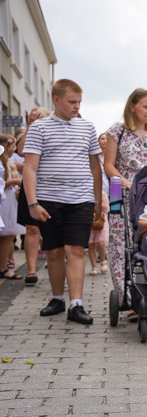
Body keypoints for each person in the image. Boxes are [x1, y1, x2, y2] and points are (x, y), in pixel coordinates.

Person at [23, 79, 103, 325]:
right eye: (72, 102)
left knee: (76, 249)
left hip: (80, 199)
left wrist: (98, 200)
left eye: (79, 102)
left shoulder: (88, 128)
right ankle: (58, 299)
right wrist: (33, 203)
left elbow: (95, 167)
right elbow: (30, 168)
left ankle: (76, 305)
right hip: (49, 200)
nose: (77, 106)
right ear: (56, 100)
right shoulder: (39, 128)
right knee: (54, 251)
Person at [104, 89, 147, 319]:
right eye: (145, 107)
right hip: (119, 191)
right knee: (120, 242)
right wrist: (127, 183)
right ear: (132, 107)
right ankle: (126, 295)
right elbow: (109, 165)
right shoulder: (118, 131)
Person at [16, 107, 51, 286]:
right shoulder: (31, 131)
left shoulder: (52, 129)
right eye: (33, 114)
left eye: (39, 114)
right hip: (31, 185)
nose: (35, 115)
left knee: (53, 229)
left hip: (50, 185)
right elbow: (21, 150)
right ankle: (31, 271)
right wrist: (31, 125)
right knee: (32, 229)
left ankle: (60, 268)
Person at [0, 135, 24, 279]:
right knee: (7, 235)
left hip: (8, 198)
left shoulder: (7, 162)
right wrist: (15, 181)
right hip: (4, 199)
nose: (14, 150)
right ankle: (3, 267)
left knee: (8, 236)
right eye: (12, 147)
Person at [87, 190, 109, 275]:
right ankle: (94, 266)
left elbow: (107, 208)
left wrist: (96, 205)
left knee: (100, 242)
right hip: (89, 219)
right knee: (91, 244)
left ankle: (103, 261)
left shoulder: (102, 194)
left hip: (101, 221)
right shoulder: (86, 193)